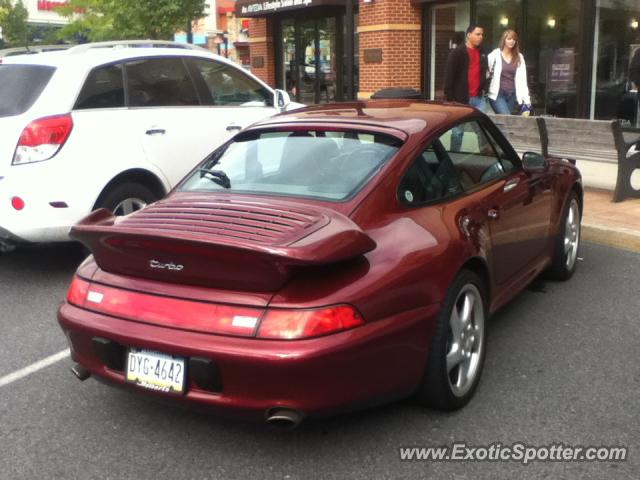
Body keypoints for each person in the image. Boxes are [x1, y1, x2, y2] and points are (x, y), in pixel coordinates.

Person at [444, 24, 488, 151]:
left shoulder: (482, 52)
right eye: (477, 34)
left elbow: (485, 72)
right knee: (458, 132)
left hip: (478, 99)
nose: (481, 37)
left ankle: (486, 157)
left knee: (483, 131)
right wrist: (451, 99)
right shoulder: (457, 52)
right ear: (469, 35)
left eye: (482, 35)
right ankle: (454, 155)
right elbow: (449, 77)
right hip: (461, 99)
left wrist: (484, 87)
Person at [487, 29, 531, 115]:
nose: (512, 41)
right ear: (504, 40)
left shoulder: (519, 57)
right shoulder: (495, 55)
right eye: (509, 39)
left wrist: (527, 100)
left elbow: (523, 80)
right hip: (497, 94)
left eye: (514, 39)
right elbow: (486, 72)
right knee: (506, 117)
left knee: (505, 122)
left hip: (512, 95)